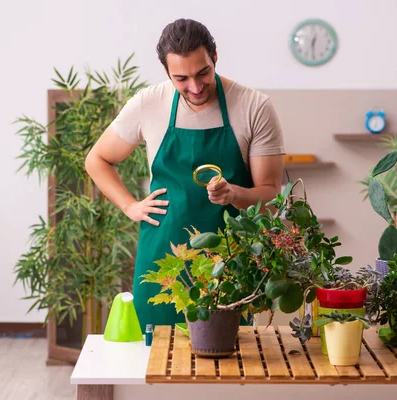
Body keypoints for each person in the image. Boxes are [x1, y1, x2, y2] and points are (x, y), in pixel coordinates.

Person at [85, 18, 285, 330]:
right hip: (163, 257)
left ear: (214, 57)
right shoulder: (149, 103)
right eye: (181, 78)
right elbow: (97, 159)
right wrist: (129, 206)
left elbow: (271, 193)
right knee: (155, 358)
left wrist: (234, 193)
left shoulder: (253, 106)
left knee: (227, 363)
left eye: (202, 72)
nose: (194, 87)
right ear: (166, 72)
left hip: (229, 262)